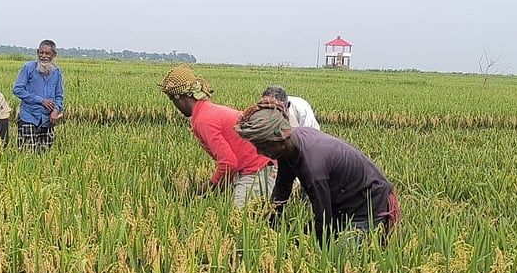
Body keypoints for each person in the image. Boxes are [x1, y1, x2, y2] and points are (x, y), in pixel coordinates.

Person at [235, 97, 399, 244]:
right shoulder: (291, 145)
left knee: (339, 258)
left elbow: (324, 219)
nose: (259, 152)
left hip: (368, 207)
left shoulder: (313, 166)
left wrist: (309, 246)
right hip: (341, 205)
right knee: (298, 240)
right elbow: (282, 189)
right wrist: (269, 226)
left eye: (262, 146)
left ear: (279, 138)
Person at [159, 64, 276, 207]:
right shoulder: (208, 111)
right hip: (259, 166)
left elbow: (228, 163)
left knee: (237, 220)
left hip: (260, 170)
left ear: (178, 97)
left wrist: (211, 185)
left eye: (172, 100)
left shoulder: (204, 120)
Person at [12, 40, 64, 151]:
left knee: (45, 153)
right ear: (37, 52)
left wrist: (56, 110)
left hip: (47, 119)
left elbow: (59, 95)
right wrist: (40, 100)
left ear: (54, 55)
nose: (43, 56)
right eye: (41, 53)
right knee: (27, 152)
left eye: (47, 53)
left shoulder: (57, 72)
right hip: (29, 116)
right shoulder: (28, 68)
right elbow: (18, 89)